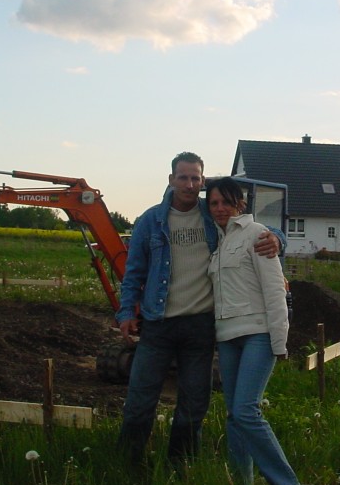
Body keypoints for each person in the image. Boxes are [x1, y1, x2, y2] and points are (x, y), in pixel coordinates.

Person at [116, 152, 281, 464]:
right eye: (183, 177)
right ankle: (128, 465)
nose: (189, 184)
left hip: (200, 327)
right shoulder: (150, 221)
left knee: (193, 404)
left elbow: (255, 228)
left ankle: (181, 468)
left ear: (202, 181)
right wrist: (126, 313)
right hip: (158, 325)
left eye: (195, 178)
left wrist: (277, 238)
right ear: (171, 180)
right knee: (140, 400)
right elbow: (133, 272)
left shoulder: (213, 213)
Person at [206, 176, 305, 485]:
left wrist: (279, 341)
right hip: (227, 337)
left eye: (226, 201)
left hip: (257, 335)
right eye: (214, 203)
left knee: (246, 411)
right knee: (234, 416)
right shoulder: (217, 244)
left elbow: (275, 291)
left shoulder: (258, 235)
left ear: (240, 204)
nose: (220, 208)